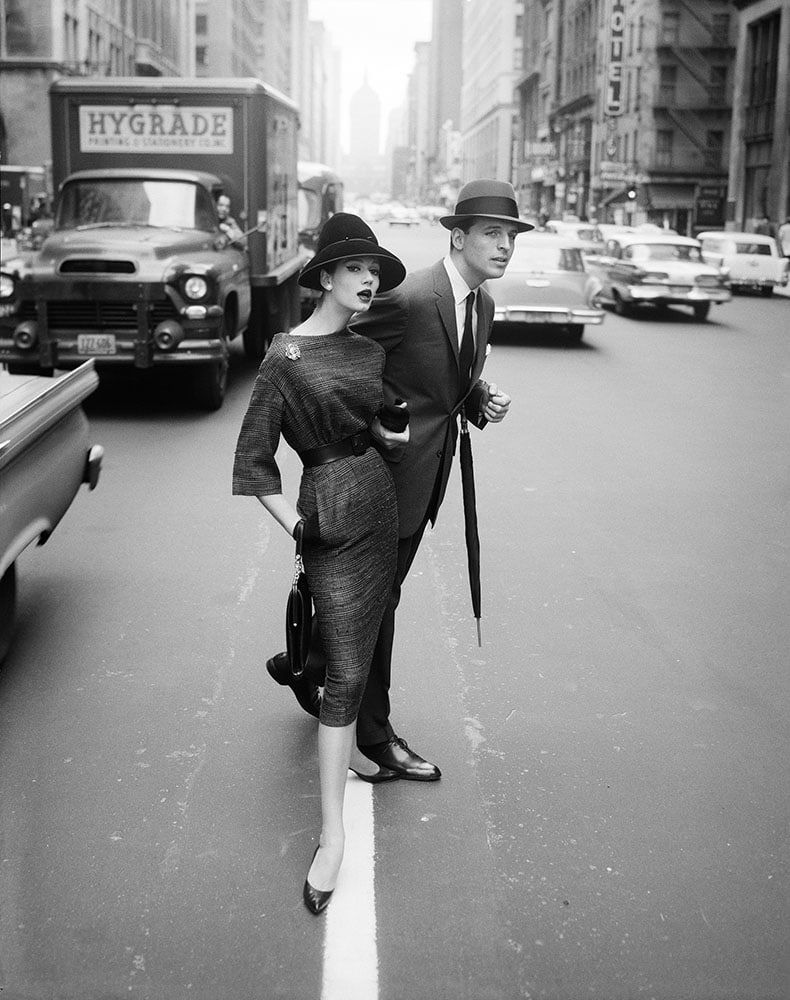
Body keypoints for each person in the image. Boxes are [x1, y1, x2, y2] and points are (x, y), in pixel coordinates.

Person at [267, 179, 533, 781]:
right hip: (374, 480)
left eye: (511, 235)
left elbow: (439, 384)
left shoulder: (481, 305)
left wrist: (480, 398)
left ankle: (309, 667)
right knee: (378, 605)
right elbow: (336, 356)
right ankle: (375, 734)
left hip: (424, 480)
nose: (505, 246)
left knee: (371, 600)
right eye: (493, 233)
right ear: (458, 237)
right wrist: (365, 429)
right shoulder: (411, 297)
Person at [232, 213, 408, 915]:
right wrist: (298, 526)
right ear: (326, 277)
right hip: (328, 518)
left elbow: (378, 424)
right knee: (343, 673)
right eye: (356, 268)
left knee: (360, 655)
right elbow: (253, 465)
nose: (368, 280)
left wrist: (394, 431)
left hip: (379, 504)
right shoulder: (284, 358)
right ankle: (331, 838)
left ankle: (349, 741)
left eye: (374, 270)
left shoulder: (368, 352)